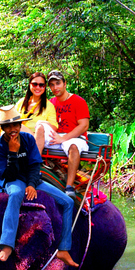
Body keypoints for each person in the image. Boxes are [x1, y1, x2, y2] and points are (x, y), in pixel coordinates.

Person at [0, 105, 79, 267]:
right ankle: (7, 245)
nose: (13, 129)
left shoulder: (28, 139)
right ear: (2, 128)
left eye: (15, 125)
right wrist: (13, 153)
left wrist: (31, 184)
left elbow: (35, 164)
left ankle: (64, 249)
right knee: (16, 194)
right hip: (11, 180)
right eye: (8, 126)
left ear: (20, 125)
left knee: (68, 202)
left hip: (31, 179)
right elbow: (8, 175)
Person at [0, 72, 58, 155]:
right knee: (6, 132)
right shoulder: (22, 102)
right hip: (17, 134)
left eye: (41, 85)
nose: (38, 87)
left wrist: (42, 123)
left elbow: (54, 127)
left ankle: (33, 161)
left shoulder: (48, 106)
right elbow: (10, 120)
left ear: (45, 87)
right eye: (35, 84)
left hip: (36, 137)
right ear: (30, 85)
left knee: (18, 128)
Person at [46, 70, 90, 200]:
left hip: (75, 137)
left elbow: (84, 126)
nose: (55, 87)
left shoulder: (78, 101)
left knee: (73, 146)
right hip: (56, 137)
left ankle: (69, 186)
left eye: (58, 83)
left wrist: (63, 138)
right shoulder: (50, 103)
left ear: (65, 84)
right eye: (52, 85)